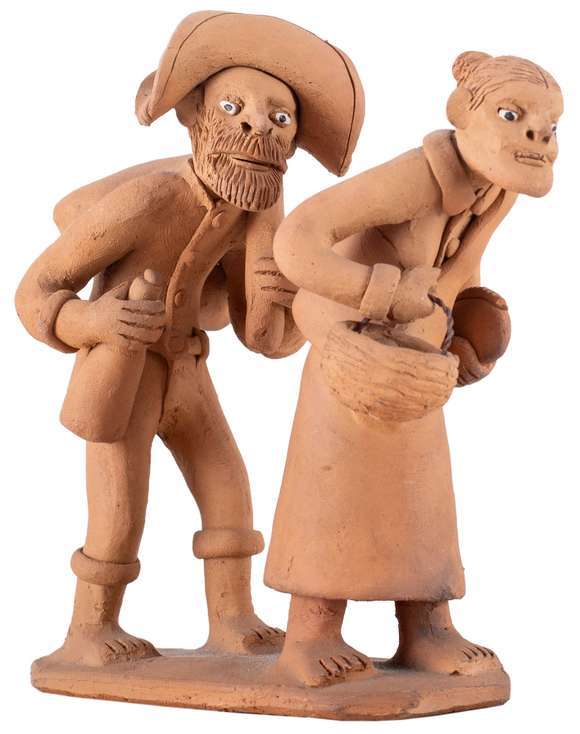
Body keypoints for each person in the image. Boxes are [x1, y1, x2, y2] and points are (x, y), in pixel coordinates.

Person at [15, 11, 363, 666]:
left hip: (189, 367)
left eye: (280, 118)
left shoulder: (258, 209)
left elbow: (262, 335)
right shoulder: (147, 199)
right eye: (234, 108)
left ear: (291, 143)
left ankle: (232, 620)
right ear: (194, 116)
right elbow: (36, 290)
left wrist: (301, 299)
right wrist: (92, 323)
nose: (259, 127)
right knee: (118, 512)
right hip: (124, 369)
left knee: (227, 487)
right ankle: (89, 630)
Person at [265, 51, 563, 687]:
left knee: (422, 496)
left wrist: (462, 335)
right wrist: (380, 294)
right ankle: (311, 635)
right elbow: (296, 240)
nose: (539, 135)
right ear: (462, 116)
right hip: (353, 355)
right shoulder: (415, 179)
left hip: (415, 368)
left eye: (550, 124)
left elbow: (458, 266)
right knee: (333, 491)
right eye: (512, 116)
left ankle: (427, 630)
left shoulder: (495, 187)